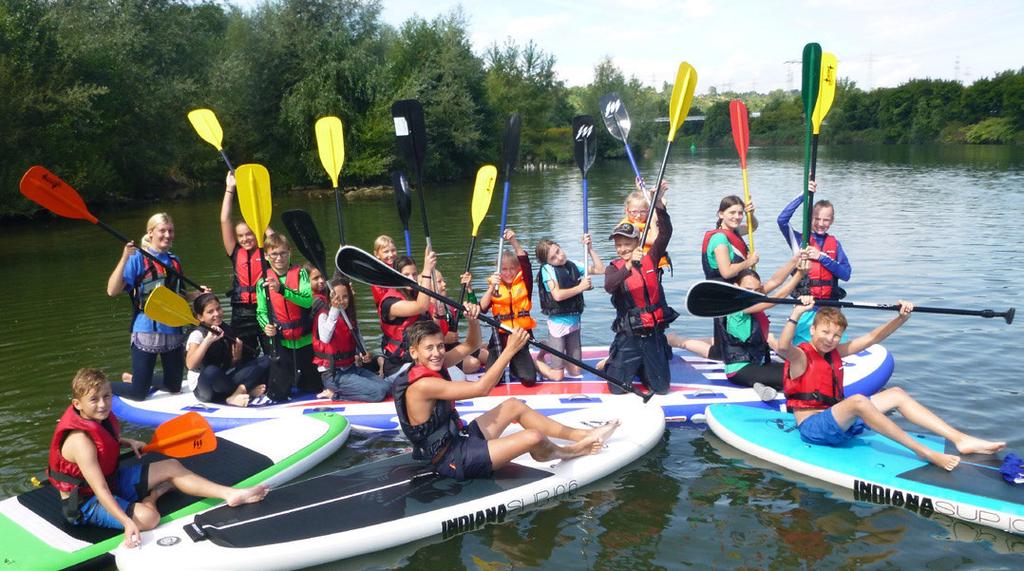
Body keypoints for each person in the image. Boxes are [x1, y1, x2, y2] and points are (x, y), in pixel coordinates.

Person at [48, 368, 268, 548]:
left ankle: (231, 495)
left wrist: (125, 441)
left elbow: (103, 439)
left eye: (106, 396)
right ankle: (152, 497)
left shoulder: (99, 415)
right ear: (78, 404)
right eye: (94, 400)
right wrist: (127, 523)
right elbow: (100, 490)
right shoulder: (81, 442)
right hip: (84, 503)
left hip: (111, 480)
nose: (103, 404)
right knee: (150, 519)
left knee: (171, 465)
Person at [779, 302, 1005, 471]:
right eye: (825, 332)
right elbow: (783, 346)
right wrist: (796, 313)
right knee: (858, 400)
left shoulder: (835, 353)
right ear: (812, 331)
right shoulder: (801, 356)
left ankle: (960, 439)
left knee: (896, 393)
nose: (830, 339)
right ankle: (923, 452)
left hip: (837, 421)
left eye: (836, 335)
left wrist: (901, 318)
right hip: (814, 428)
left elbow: (872, 338)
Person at [393, 314, 620, 482]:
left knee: (513, 405)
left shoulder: (435, 364)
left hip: (459, 438)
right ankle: (571, 451)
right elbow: (482, 387)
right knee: (533, 437)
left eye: (440, 346)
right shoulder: (424, 385)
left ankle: (584, 434)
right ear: (414, 352)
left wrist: (472, 320)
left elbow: (471, 345)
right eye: (429, 348)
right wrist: (509, 351)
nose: (437, 353)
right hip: (451, 460)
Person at [106, 213, 198, 401]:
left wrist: (196, 295)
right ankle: (103, 385)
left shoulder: (174, 261)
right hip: (146, 330)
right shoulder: (138, 258)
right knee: (139, 394)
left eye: (170, 231)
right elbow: (112, 291)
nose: (167, 235)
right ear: (151, 233)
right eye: (162, 231)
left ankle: (137, 379)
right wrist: (125, 257)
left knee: (174, 386)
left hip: (172, 328)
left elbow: (178, 296)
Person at [693, 254, 810, 401]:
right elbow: (776, 298)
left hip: (757, 363)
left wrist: (794, 260)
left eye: (756, 290)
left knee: (798, 367)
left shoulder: (752, 297)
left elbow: (775, 281)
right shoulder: (737, 306)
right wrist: (799, 274)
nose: (752, 293)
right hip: (739, 370)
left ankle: (761, 386)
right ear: (736, 287)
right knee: (794, 374)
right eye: (748, 289)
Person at [604, 184, 677, 395]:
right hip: (630, 335)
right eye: (619, 245)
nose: (623, 249)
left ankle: (646, 366)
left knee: (661, 389)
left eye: (627, 244)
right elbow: (610, 286)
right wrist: (628, 266)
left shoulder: (651, 258)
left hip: (652, 333)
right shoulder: (614, 268)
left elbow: (666, 233)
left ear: (637, 242)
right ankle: (613, 360)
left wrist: (659, 204)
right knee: (617, 389)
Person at [777, 180, 853, 343]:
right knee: (804, 346)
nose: (820, 224)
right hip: (806, 306)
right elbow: (782, 220)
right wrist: (804, 195)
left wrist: (821, 257)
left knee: (833, 344)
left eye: (826, 220)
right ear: (809, 218)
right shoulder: (799, 240)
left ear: (832, 221)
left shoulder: (835, 244)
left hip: (830, 306)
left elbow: (846, 275)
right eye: (816, 218)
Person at [479, 229, 557, 384]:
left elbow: (525, 262)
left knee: (529, 380)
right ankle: (490, 355)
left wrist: (514, 241)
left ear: (517, 270)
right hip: (499, 341)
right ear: (498, 271)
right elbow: (481, 308)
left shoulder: (524, 285)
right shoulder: (495, 286)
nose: (508, 273)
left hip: (519, 338)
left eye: (511, 269)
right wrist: (490, 289)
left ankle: (516, 366)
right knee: (493, 382)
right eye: (504, 269)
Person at [256, 233, 319, 401]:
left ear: (290, 252)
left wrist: (281, 289)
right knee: (278, 394)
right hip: (281, 343)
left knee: (313, 388)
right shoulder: (262, 281)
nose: (279, 258)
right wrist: (265, 326)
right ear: (266, 256)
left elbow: (307, 301)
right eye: (274, 254)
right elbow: (261, 312)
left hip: (305, 341)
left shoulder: (300, 274)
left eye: (283, 253)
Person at [535, 234, 604, 379]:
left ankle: (551, 347)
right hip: (558, 325)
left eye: (558, 251)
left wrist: (590, 249)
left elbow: (600, 270)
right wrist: (581, 287)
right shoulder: (547, 270)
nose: (559, 257)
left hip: (574, 322)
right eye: (553, 257)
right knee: (557, 376)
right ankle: (538, 360)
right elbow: (558, 295)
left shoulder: (573, 264)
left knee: (575, 372)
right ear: (547, 261)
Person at [220, 171, 272, 360]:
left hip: (265, 308)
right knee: (243, 355)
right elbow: (225, 220)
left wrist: (260, 221)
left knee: (272, 354)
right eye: (241, 235)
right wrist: (230, 189)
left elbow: (275, 240)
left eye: (249, 234)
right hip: (241, 312)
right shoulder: (235, 251)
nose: (245, 239)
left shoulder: (267, 249)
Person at [313, 277, 391, 402]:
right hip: (333, 375)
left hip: (351, 369)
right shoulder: (324, 315)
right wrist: (334, 309)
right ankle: (334, 394)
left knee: (387, 387)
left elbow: (358, 339)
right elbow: (325, 338)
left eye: (345, 297)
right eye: (337, 298)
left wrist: (364, 353)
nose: (341, 301)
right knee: (378, 393)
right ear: (330, 298)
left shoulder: (350, 317)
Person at [184, 293, 269, 406]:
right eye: (210, 312)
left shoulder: (225, 329)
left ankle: (239, 392)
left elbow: (229, 366)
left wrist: (236, 358)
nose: (217, 314)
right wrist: (207, 341)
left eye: (218, 308)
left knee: (267, 360)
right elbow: (190, 365)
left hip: (224, 382)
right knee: (211, 371)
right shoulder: (197, 334)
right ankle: (246, 391)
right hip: (204, 388)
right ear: (200, 317)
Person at [376, 249, 437, 378]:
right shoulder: (390, 303)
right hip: (399, 365)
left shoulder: (418, 296)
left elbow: (438, 330)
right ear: (397, 276)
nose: (412, 278)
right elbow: (421, 306)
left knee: (461, 370)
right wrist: (427, 271)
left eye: (415, 274)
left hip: (422, 358)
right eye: (406, 274)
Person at [432, 270, 487, 374]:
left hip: (455, 346)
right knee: (474, 364)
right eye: (439, 282)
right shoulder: (427, 311)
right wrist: (444, 338)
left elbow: (473, 309)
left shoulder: (449, 306)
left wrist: (469, 288)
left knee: (486, 354)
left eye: (443, 281)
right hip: (445, 352)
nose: (444, 284)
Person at [701, 195, 759, 281]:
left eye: (740, 213)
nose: (737, 217)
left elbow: (753, 227)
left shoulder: (735, 232)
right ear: (721, 214)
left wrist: (750, 215)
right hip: (721, 288)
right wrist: (749, 262)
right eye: (732, 213)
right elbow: (727, 273)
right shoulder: (719, 238)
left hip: (735, 285)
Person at [620, 178, 671, 270]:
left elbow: (663, 202)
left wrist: (646, 192)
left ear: (647, 211)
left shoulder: (647, 218)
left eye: (643, 212)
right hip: (638, 267)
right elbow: (655, 240)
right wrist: (653, 221)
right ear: (627, 211)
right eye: (634, 212)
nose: (638, 216)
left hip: (653, 265)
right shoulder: (626, 227)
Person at [370, 235, 399, 307]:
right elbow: (383, 298)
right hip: (388, 308)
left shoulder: (400, 268)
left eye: (393, 250)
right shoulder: (376, 276)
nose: (391, 254)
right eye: (386, 252)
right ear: (377, 254)